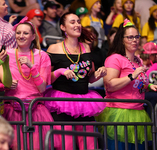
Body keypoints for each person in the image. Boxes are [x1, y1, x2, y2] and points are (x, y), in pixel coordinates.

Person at [44, 12, 107, 150]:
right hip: (62, 103)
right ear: (63, 27)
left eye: (78, 22)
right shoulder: (54, 48)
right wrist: (60, 72)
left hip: (84, 102)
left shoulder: (86, 47)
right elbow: (46, 78)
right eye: (72, 22)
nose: (77, 25)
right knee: (67, 145)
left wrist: (98, 74)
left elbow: (89, 78)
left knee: (89, 145)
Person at [96, 19, 157, 150]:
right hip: (119, 113)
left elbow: (136, 84)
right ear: (122, 39)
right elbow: (110, 85)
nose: (135, 40)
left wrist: (148, 86)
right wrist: (132, 76)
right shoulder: (114, 58)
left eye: (136, 37)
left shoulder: (138, 60)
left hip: (138, 112)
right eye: (130, 37)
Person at [2, 17, 59, 150]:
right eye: (18, 32)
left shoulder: (42, 56)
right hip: (12, 110)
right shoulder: (7, 55)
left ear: (33, 36)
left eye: (25, 33)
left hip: (36, 111)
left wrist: (32, 67)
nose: (21, 36)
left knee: (37, 146)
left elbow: (42, 87)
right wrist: (5, 84)